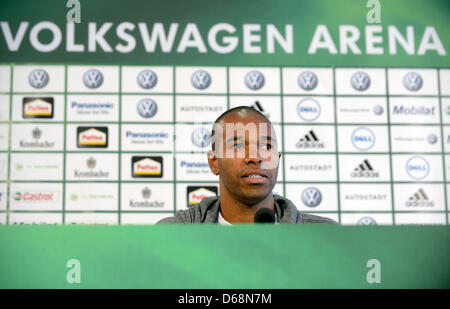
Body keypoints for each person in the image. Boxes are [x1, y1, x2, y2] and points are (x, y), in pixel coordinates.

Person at [158, 106, 337, 224]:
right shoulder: (172, 235)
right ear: (214, 162)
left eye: (266, 146)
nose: (255, 157)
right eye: (238, 145)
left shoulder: (326, 237)